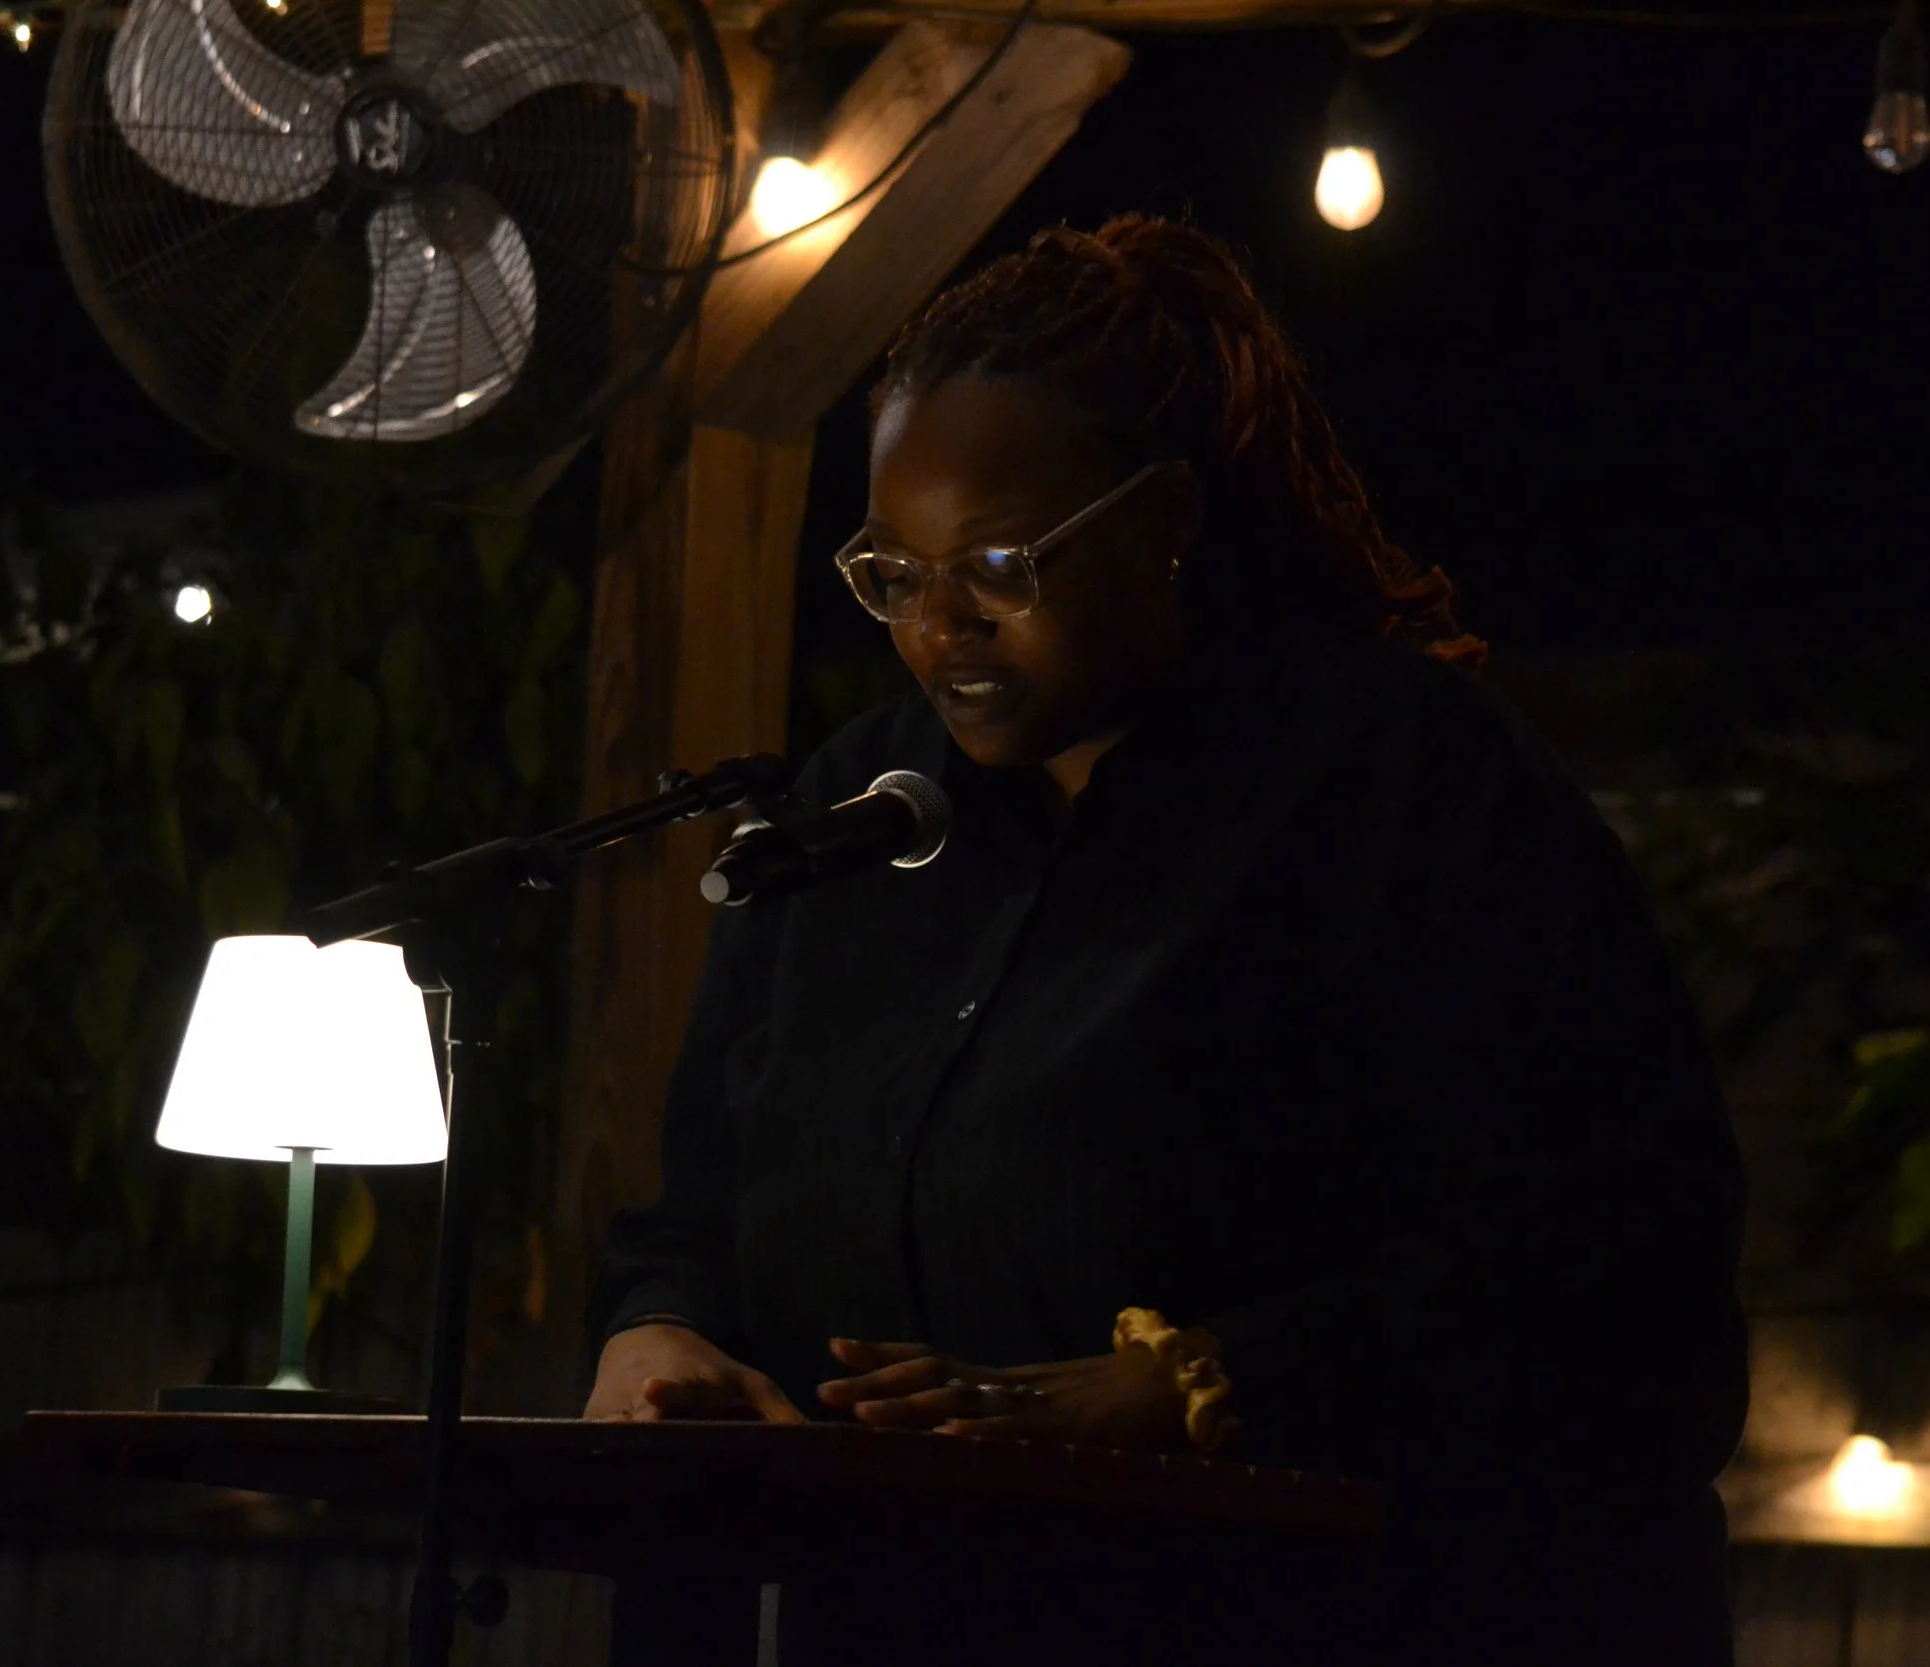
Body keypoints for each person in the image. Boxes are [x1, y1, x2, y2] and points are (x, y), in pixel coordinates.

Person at [583, 214, 1748, 1666]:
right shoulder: (855, 811)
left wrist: (1197, 1382)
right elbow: (699, 1211)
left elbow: (1622, 1268)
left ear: (1167, 517)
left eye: (1000, 563)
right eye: (893, 572)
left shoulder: (1404, 793)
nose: (942, 625)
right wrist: (662, 1333)